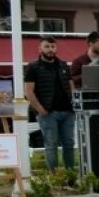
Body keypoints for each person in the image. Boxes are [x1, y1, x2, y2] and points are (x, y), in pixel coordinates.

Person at [24, 36, 76, 172]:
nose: (50, 49)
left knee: (69, 144)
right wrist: (40, 109)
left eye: (52, 46)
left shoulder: (63, 65)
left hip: (67, 111)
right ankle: (53, 176)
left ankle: (70, 174)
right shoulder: (33, 67)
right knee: (51, 145)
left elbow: (71, 86)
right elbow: (29, 91)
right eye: (47, 46)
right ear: (40, 48)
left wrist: (74, 103)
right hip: (48, 112)